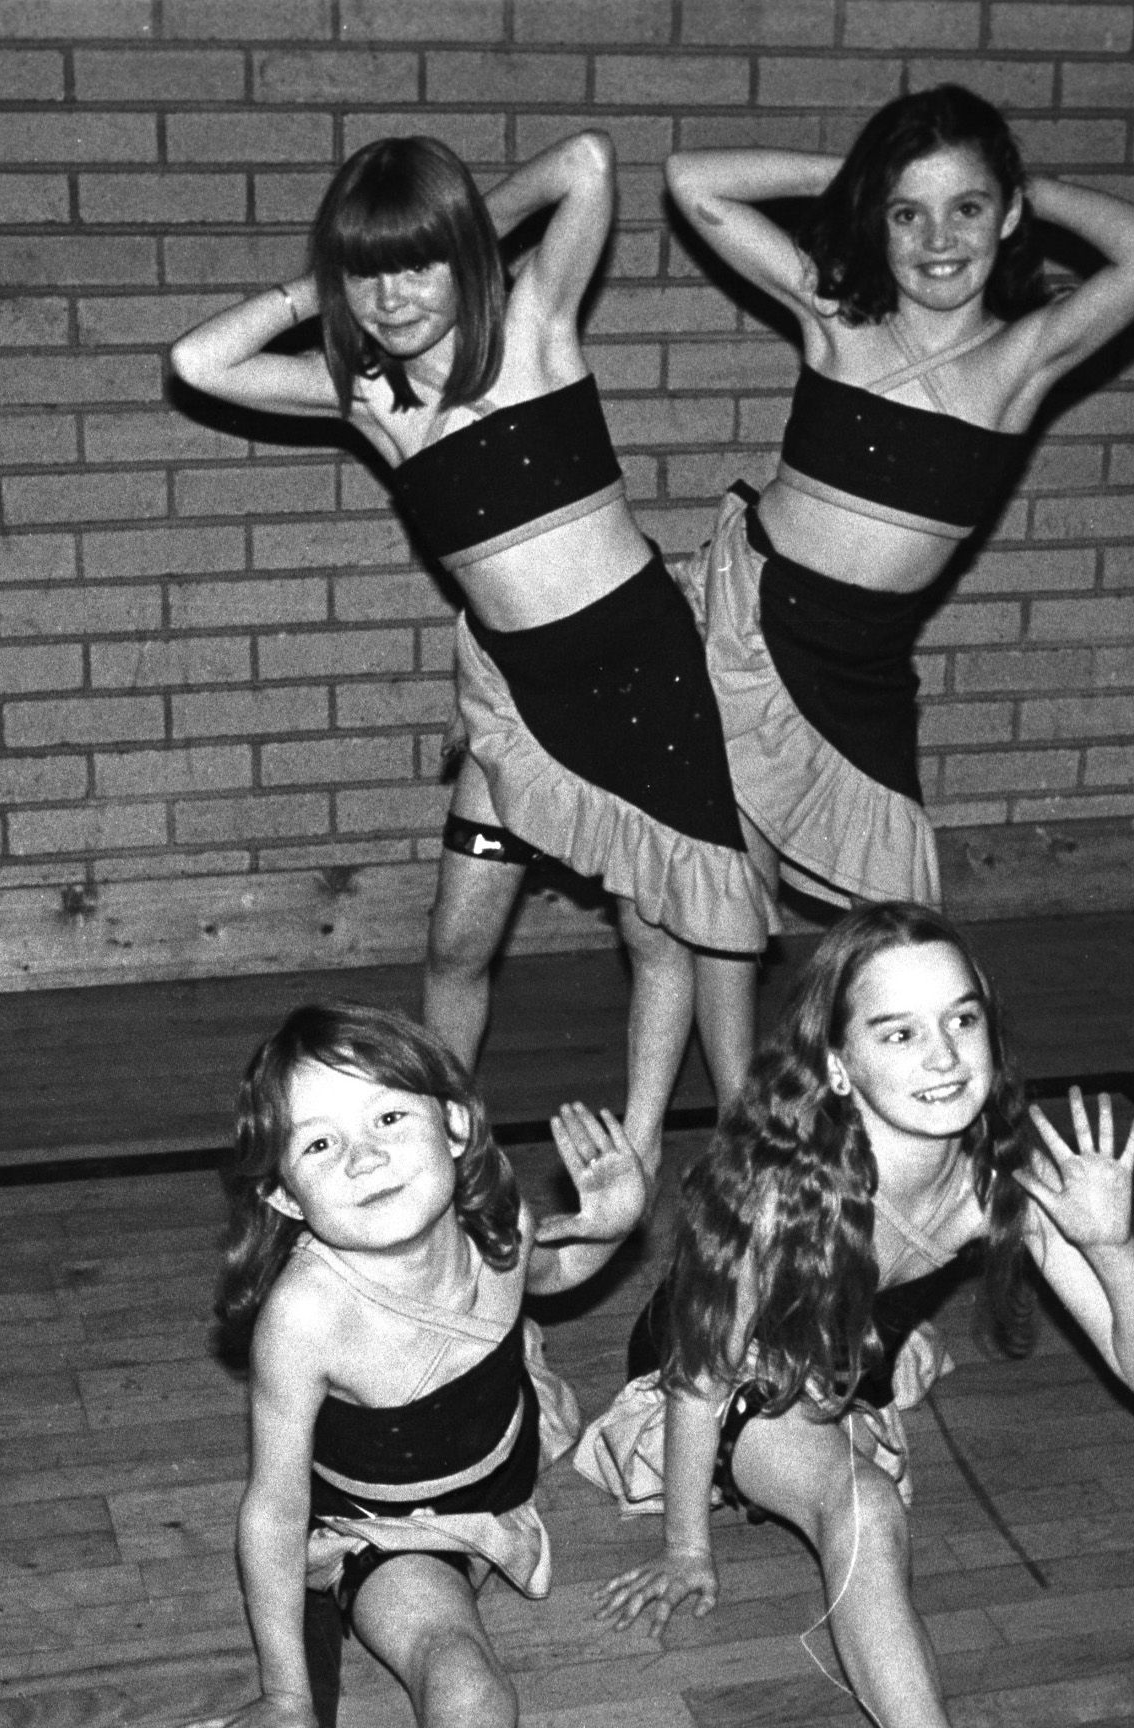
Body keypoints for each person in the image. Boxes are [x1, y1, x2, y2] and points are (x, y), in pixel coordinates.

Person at [169, 133, 768, 1168]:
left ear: (466, 257)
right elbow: (197, 361)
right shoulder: (375, 403)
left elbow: (585, 162)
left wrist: (459, 239)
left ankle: (637, 1144)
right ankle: (436, 1139)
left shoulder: (535, 328)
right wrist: (321, 290)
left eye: (418, 263)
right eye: (366, 271)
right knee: (457, 939)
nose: (392, 295)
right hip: (522, 704)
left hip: (642, 674)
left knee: (654, 931)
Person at [587, 902, 1134, 1728]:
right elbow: (698, 1381)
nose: (944, 1054)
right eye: (897, 1032)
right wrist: (687, 1546)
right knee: (863, 1503)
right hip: (719, 1379)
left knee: (865, 1444)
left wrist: (1113, 1247)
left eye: (962, 1020)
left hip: (834, 1356)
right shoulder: (774, 1193)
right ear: (839, 1063)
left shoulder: (1008, 1171)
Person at [166, 1004, 649, 1728]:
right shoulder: (307, 1315)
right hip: (395, 1534)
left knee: (525, 1356)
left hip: (502, 1466)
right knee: (463, 1679)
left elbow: (550, 1270)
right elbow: (271, 1508)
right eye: (321, 1142)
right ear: (282, 1195)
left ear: (458, 1128)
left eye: (389, 1120)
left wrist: (610, 1224)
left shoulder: (493, 1221)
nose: (365, 1157)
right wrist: (285, 1688)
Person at [662, 87, 1134, 909]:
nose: (939, 240)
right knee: (721, 901)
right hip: (743, 619)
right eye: (907, 215)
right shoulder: (839, 319)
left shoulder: (1022, 359)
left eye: (967, 209)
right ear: (877, 219)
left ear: (1007, 217)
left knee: (892, 922)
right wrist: (866, 175)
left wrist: (1019, 186)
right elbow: (693, 181)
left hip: (860, 667)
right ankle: (730, 1047)